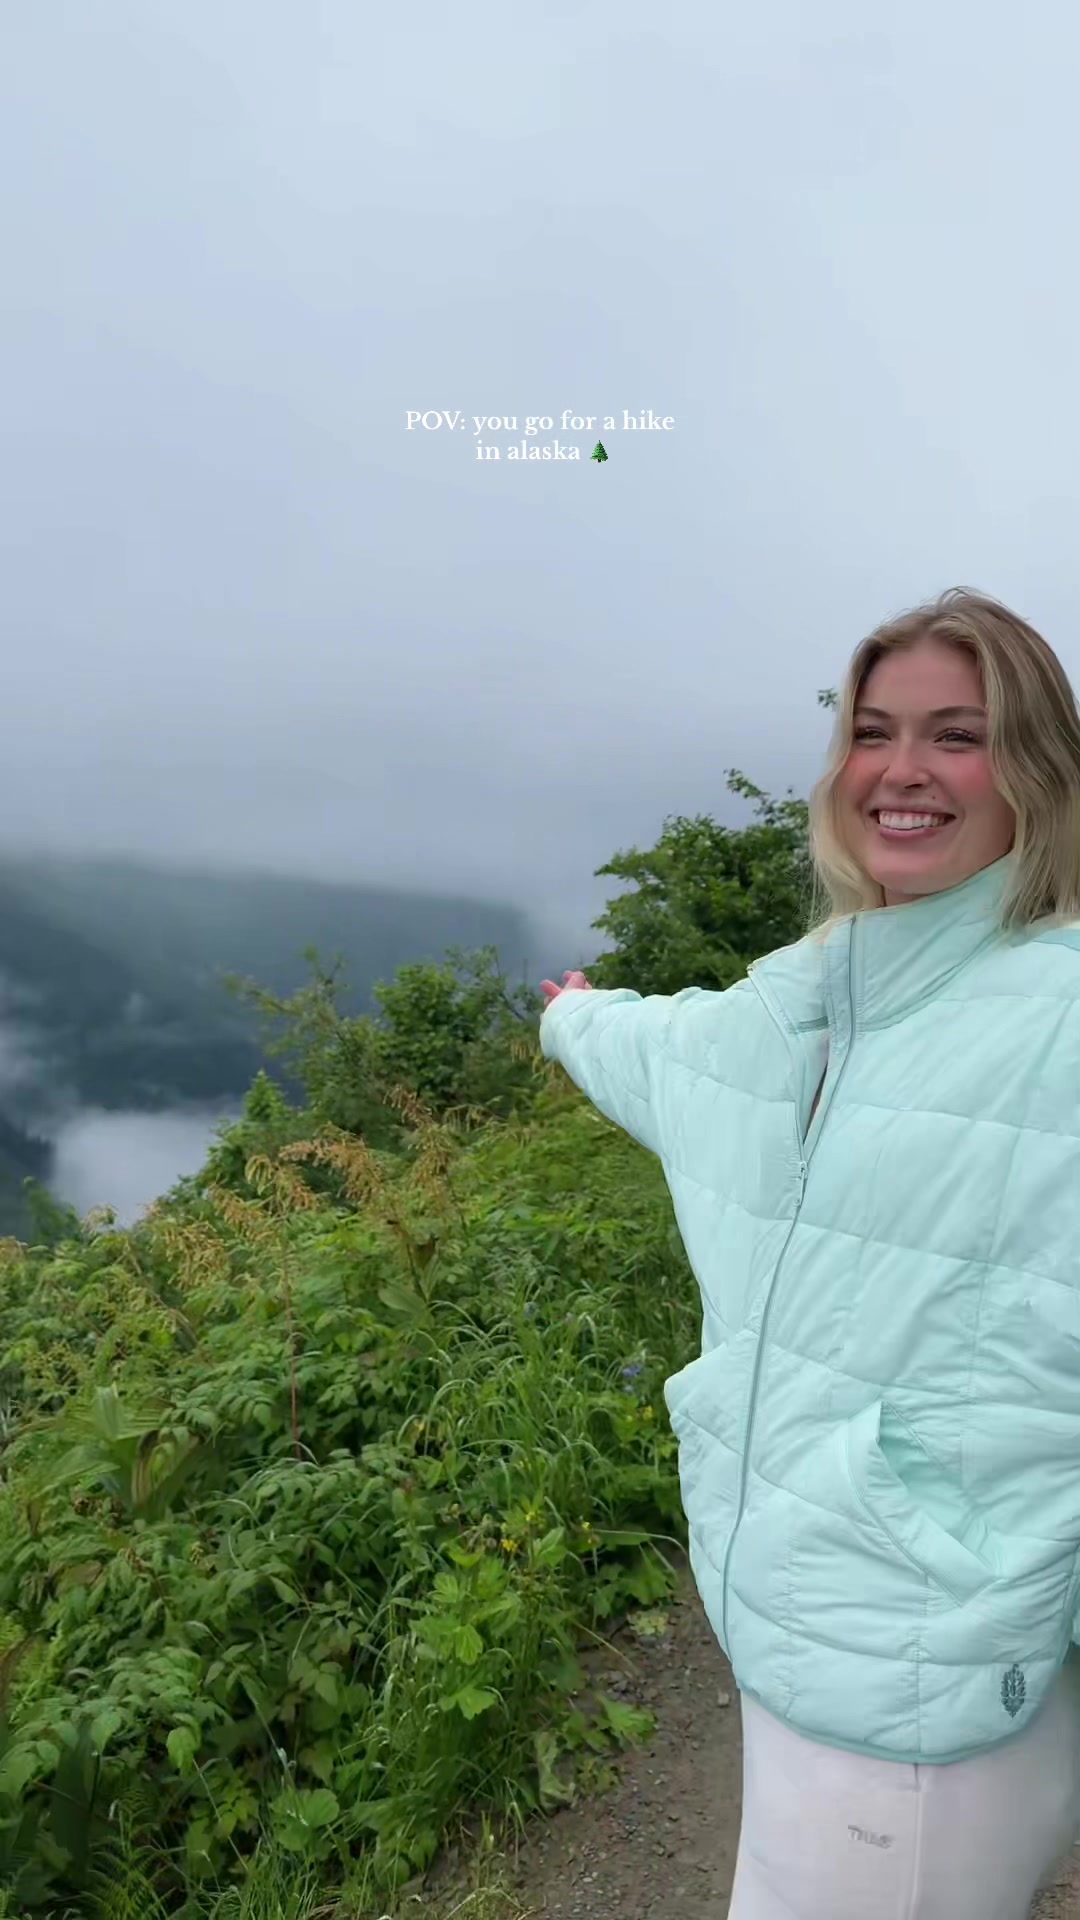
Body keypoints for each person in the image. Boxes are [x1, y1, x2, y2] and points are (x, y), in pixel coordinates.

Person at [539, 588, 1080, 1920]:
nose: (902, 770)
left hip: (933, 1682)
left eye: (958, 735)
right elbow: (669, 1056)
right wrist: (573, 1018)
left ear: (1038, 772)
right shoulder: (822, 989)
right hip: (806, 1630)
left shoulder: (1062, 1012)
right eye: (874, 732)